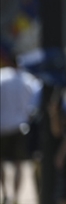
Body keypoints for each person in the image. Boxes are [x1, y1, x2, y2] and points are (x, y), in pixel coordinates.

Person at [0, 50, 35, 204]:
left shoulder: (2, 77)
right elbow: (35, 100)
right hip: (21, 125)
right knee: (18, 164)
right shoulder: (27, 79)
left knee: (1, 162)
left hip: (2, 125)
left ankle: (5, 193)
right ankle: (15, 197)